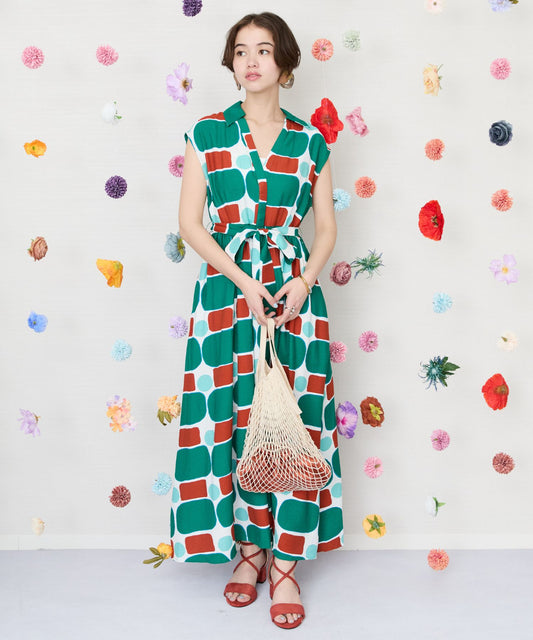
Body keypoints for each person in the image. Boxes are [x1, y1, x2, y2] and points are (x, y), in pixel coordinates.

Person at [169, 11, 343, 630]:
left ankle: (286, 563)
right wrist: (243, 281)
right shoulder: (207, 133)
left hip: (294, 298)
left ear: (284, 62)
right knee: (236, 415)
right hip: (227, 295)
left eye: (264, 50)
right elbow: (190, 224)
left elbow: (326, 228)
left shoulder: (310, 141)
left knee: (294, 421)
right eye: (241, 50)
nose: (251, 61)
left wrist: (302, 281)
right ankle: (249, 553)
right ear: (231, 62)